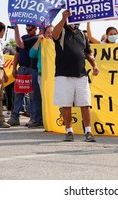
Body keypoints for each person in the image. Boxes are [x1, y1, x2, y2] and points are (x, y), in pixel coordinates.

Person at [52, 10, 99, 142]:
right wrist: (63, 19)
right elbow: (54, 34)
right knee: (66, 104)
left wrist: (94, 65)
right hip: (63, 74)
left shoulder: (82, 35)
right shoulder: (62, 31)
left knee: (85, 103)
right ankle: (69, 131)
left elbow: (88, 53)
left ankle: (88, 132)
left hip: (81, 75)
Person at [7, 24, 39, 126]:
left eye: (30, 29)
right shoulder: (23, 38)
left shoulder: (38, 38)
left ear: (36, 28)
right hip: (22, 68)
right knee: (18, 94)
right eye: (27, 29)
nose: (28, 31)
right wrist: (14, 68)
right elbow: (17, 53)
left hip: (32, 69)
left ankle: (33, 118)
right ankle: (14, 117)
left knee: (32, 95)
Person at [28, 25, 54, 128]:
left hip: (55, 75)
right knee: (40, 97)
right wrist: (39, 40)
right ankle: (39, 120)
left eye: (52, 32)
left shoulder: (58, 43)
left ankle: (52, 120)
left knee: (53, 98)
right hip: (42, 75)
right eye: (48, 32)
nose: (50, 34)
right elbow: (32, 54)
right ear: (45, 33)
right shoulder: (42, 43)